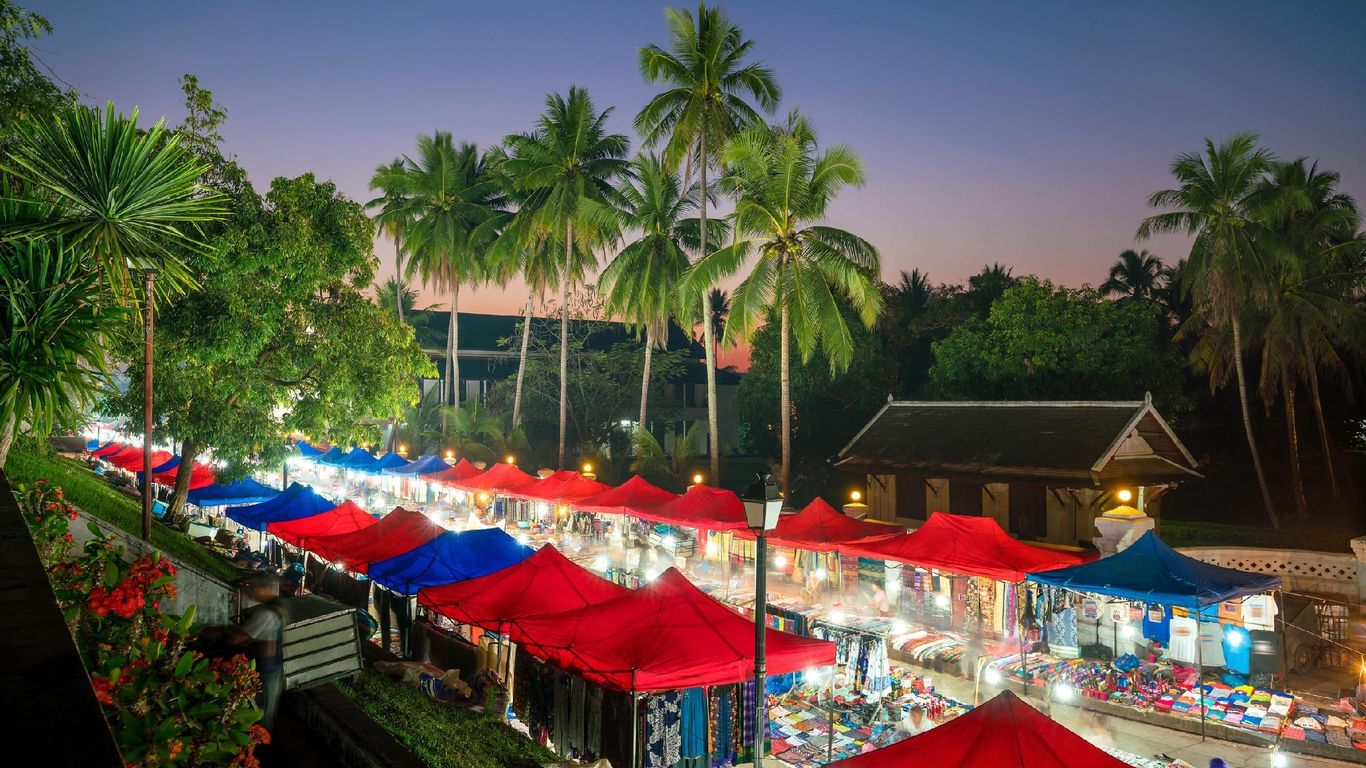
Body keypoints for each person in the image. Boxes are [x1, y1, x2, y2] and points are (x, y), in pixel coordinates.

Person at [229, 573, 287, 732]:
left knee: (258, 715)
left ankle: (257, 741)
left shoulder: (266, 614)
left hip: (264, 671)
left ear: (265, 588)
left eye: (253, 587)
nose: (250, 592)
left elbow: (237, 639)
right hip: (274, 667)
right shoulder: (279, 606)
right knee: (265, 712)